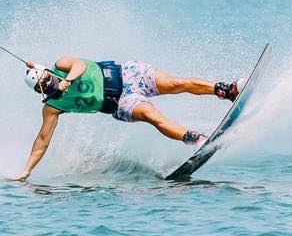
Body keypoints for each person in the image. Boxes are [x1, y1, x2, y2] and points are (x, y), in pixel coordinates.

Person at [13, 56, 242, 181]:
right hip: (121, 103)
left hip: (130, 74)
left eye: (47, 82)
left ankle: (226, 90)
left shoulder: (61, 65)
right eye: (43, 89)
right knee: (151, 115)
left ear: (48, 74)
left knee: (175, 84)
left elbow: (80, 65)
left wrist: (68, 80)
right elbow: (42, 141)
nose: (50, 87)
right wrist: (26, 170)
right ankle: (196, 139)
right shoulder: (52, 107)